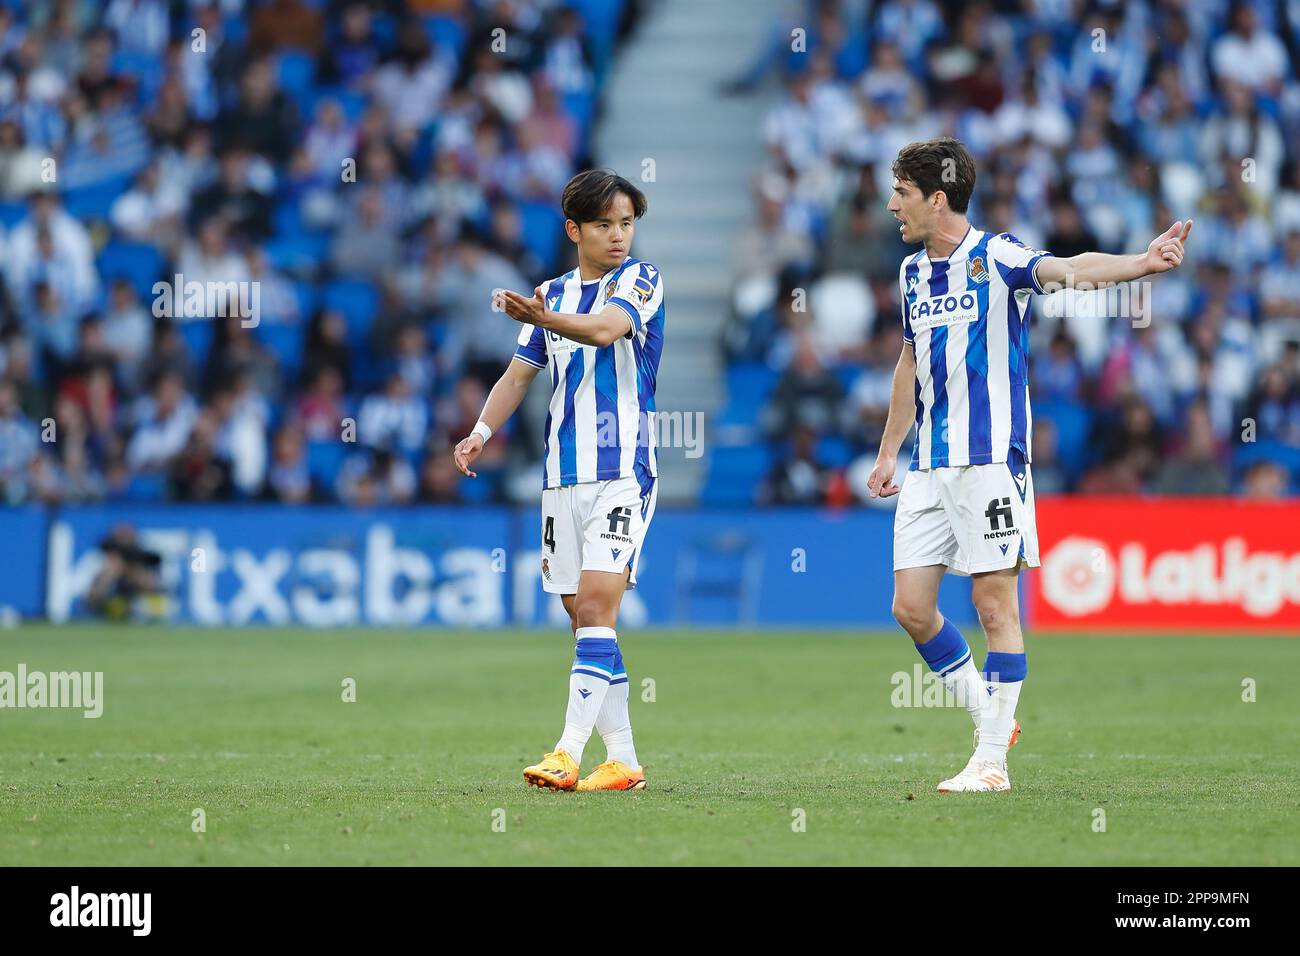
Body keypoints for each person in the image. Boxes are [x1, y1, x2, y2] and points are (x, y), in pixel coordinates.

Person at [866, 137, 1192, 792]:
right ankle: (992, 717)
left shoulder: (997, 256)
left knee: (993, 604)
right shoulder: (909, 276)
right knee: (910, 607)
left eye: (901, 192)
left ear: (936, 197)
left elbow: (1070, 269)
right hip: (930, 462)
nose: (891, 203)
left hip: (990, 460)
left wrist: (1143, 264)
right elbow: (909, 361)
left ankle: (990, 762)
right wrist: (888, 450)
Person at [452, 170, 665, 792]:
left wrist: (547, 318)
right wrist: (481, 432)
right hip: (560, 476)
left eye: (626, 223)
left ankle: (566, 752)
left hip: (622, 470)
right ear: (574, 229)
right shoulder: (551, 293)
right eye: (604, 224)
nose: (619, 235)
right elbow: (518, 375)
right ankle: (622, 759)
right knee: (583, 617)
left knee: (598, 605)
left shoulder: (640, 280)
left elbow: (603, 330)